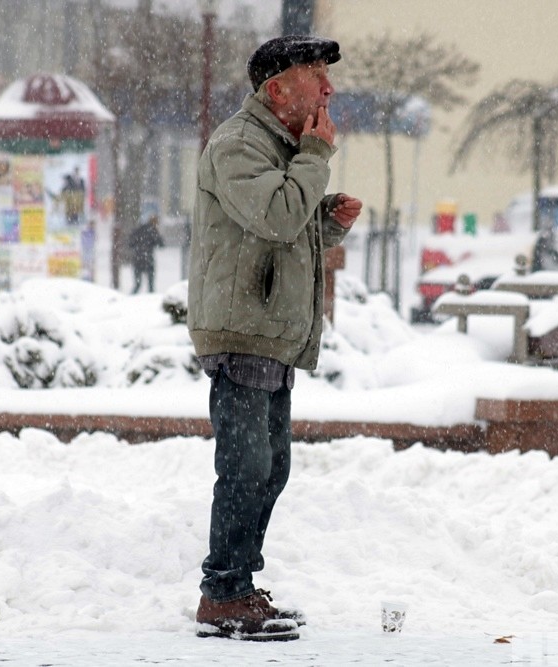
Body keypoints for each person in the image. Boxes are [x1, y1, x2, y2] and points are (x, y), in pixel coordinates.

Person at [187, 35, 362, 642]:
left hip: (270, 332)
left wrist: (326, 221)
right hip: (242, 330)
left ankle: (239, 585)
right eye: (316, 75)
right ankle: (223, 594)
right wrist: (315, 157)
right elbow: (278, 216)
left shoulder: (278, 148)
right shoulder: (238, 144)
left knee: (272, 467)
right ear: (277, 89)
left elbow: (286, 228)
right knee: (246, 467)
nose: (329, 88)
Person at [129, 215, 164, 293]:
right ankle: (151, 299)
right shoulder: (153, 231)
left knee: (137, 285)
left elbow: (130, 243)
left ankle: (128, 299)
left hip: (137, 259)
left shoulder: (139, 229)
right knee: (151, 286)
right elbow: (161, 244)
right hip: (148, 260)